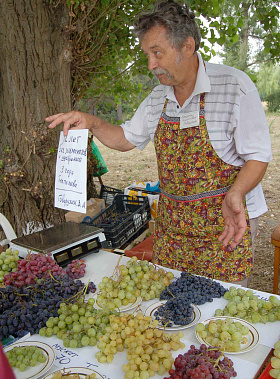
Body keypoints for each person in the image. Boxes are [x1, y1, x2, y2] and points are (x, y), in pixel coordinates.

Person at [46, 0, 272, 286]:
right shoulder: (158, 97)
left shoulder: (234, 87)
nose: (151, 64)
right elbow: (125, 138)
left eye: (157, 53)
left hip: (226, 223)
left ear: (187, 46)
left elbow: (258, 156)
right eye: (147, 55)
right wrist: (91, 122)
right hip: (175, 228)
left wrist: (236, 193)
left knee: (220, 310)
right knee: (175, 304)